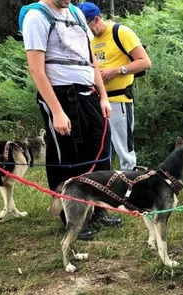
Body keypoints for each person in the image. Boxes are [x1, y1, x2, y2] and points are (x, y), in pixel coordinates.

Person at [21, 0, 122, 241]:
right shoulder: (36, 17)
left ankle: (98, 211)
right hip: (60, 96)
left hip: (89, 94)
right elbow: (36, 69)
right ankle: (72, 217)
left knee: (98, 155)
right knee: (68, 157)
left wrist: (103, 97)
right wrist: (56, 111)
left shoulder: (76, 13)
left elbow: (91, 60)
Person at [77, 2, 151, 171]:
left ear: (96, 19)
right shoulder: (88, 39)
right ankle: (105, 188)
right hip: (95, 102)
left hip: (119, 100)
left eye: (87, 26)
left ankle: (129, 189)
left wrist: (117, 71)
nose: (85, 31)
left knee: (124, 150)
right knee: (100, 150)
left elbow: (145, 62)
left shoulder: (121, 32)